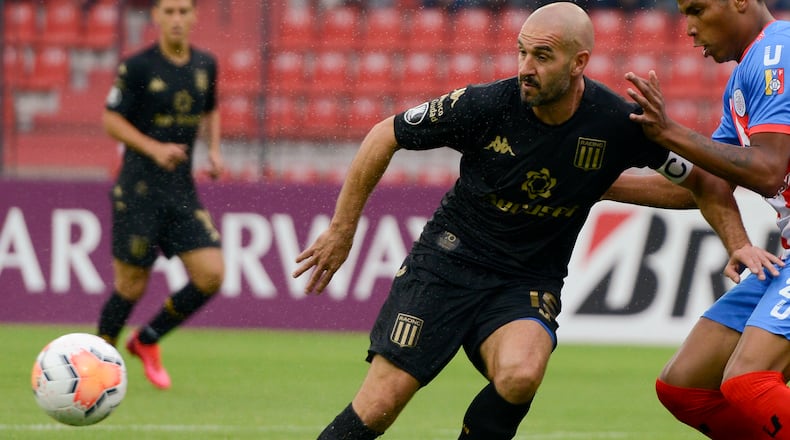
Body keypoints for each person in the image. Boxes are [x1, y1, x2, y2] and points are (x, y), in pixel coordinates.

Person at [291, 2, 779, 438]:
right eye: (522, 53)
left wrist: (734, 241)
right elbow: (384, 135)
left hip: (525, 280)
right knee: (380, 406)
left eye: (542, 57)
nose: (526, 68)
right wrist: (342, 229)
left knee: (521, 373)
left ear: (578, 62)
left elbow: (702, 185)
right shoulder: (485, 106)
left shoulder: (617, 123)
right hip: (446, 266)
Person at [624, 0, 790, 438]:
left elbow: (769, 169)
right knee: (685, 386)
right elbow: (705, 185)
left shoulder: (779, 51)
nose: (690, 29)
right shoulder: (744, 75)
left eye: (697, 10)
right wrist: (594, 185)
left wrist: (670, 132)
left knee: (748, 382)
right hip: (785, 257)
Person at [96, 0, 224, 390]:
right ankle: (98, 365)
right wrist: (153, 148)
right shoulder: (137, 67)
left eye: (184, 11)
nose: (176, 19)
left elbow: (211, 109)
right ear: (155, 17)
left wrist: (214, 151)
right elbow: (110, 119)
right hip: (138, 191)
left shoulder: (205, 64)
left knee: (211, 275)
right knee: (131, 286)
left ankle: (146, 339)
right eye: (169, 11)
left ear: (194, 16)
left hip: (181, 191)